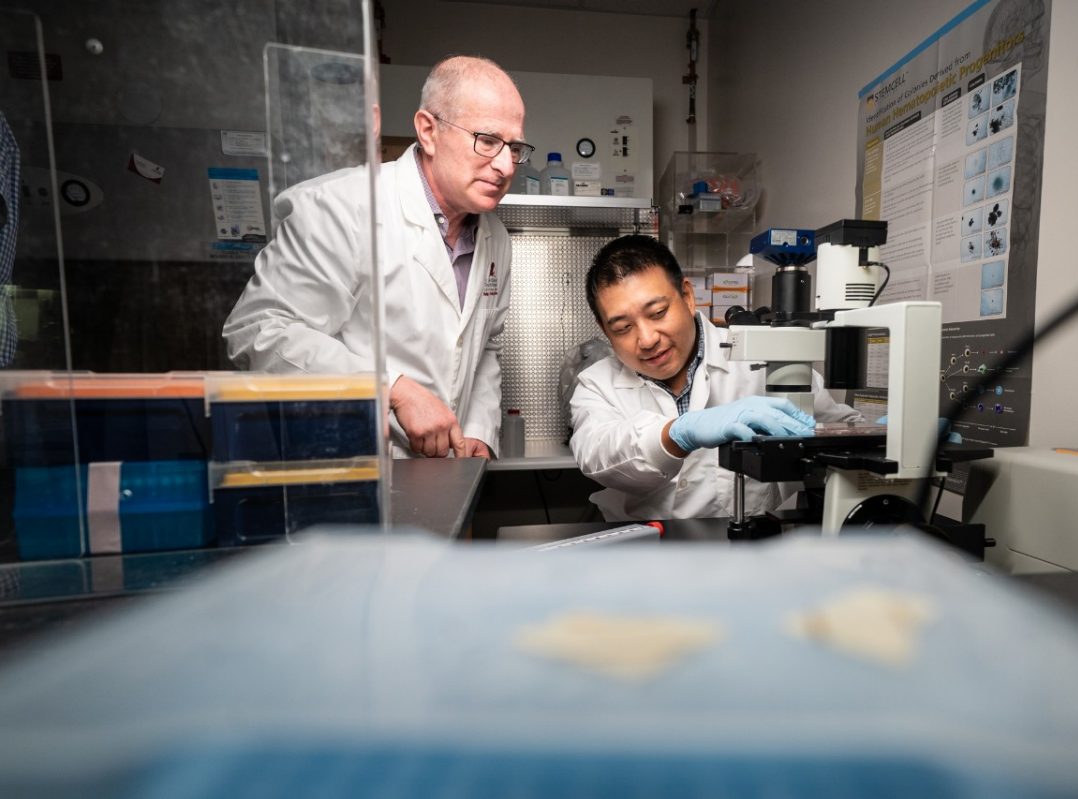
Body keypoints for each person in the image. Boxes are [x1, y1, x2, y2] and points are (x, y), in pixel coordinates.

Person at [223, 55, 532, 459]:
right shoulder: (340, 206)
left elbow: (485, 346)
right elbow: (258, 331)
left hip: (446, 475)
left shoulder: (495, 238)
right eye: (488, 141)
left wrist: (477, 430)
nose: (506, 164)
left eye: (515, 147)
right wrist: (391, 388)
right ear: (428, 131)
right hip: (347, 469)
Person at [569, 234, 865, 521]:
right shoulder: (596, 383)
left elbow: (833, 432)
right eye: (622, 327)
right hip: (645, 548)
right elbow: (598, 456)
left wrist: (871, 438)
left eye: (658, 313)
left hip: (752, 548)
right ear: (605, 329)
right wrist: (678, 433)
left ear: (687, 297)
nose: (646, 340)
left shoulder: (764, 357)